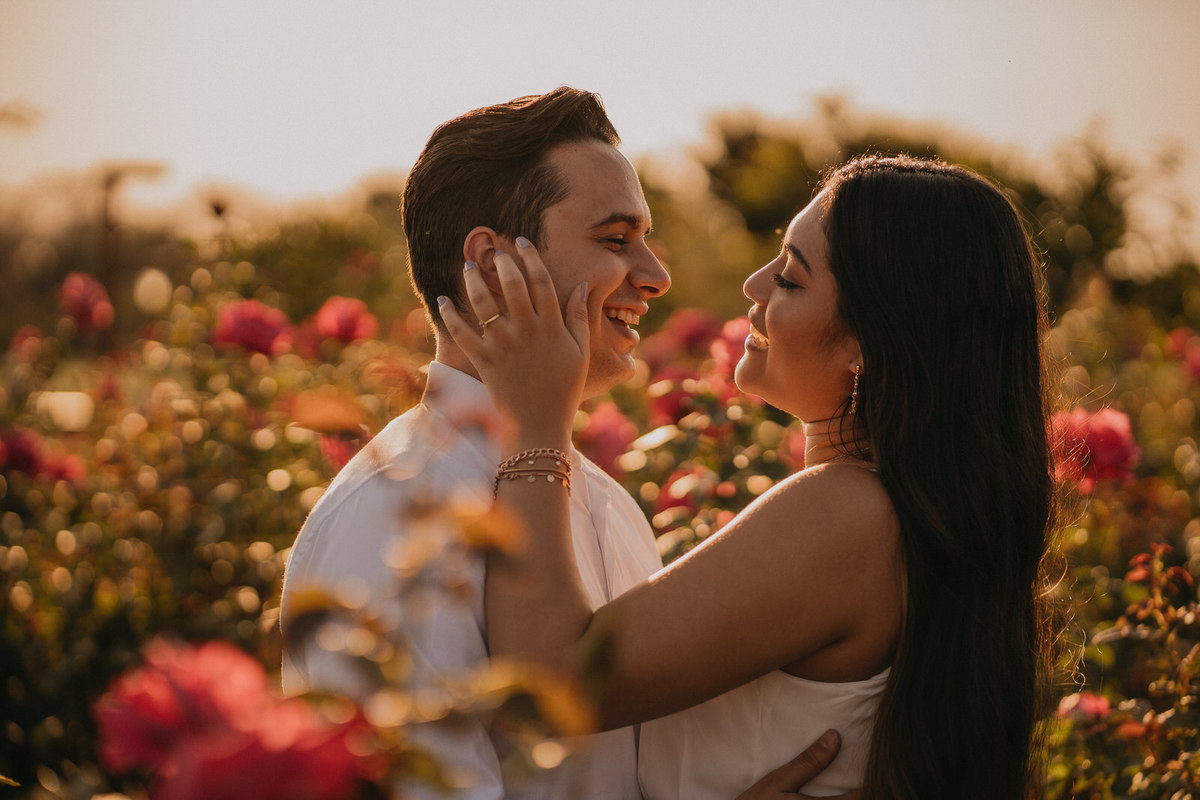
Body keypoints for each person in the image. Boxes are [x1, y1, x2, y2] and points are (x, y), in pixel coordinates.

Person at [280, 87, 852, 800]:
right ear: (493, 265)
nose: (656, 276)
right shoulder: (396, 514)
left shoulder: (609, 508)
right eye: (616, 240)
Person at [441, 154, 1057, 799]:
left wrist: (534, 427)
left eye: (791, 279)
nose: (754, 287)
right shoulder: (900, 514)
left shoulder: (847, 512)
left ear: (867, 343)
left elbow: (550, 686)